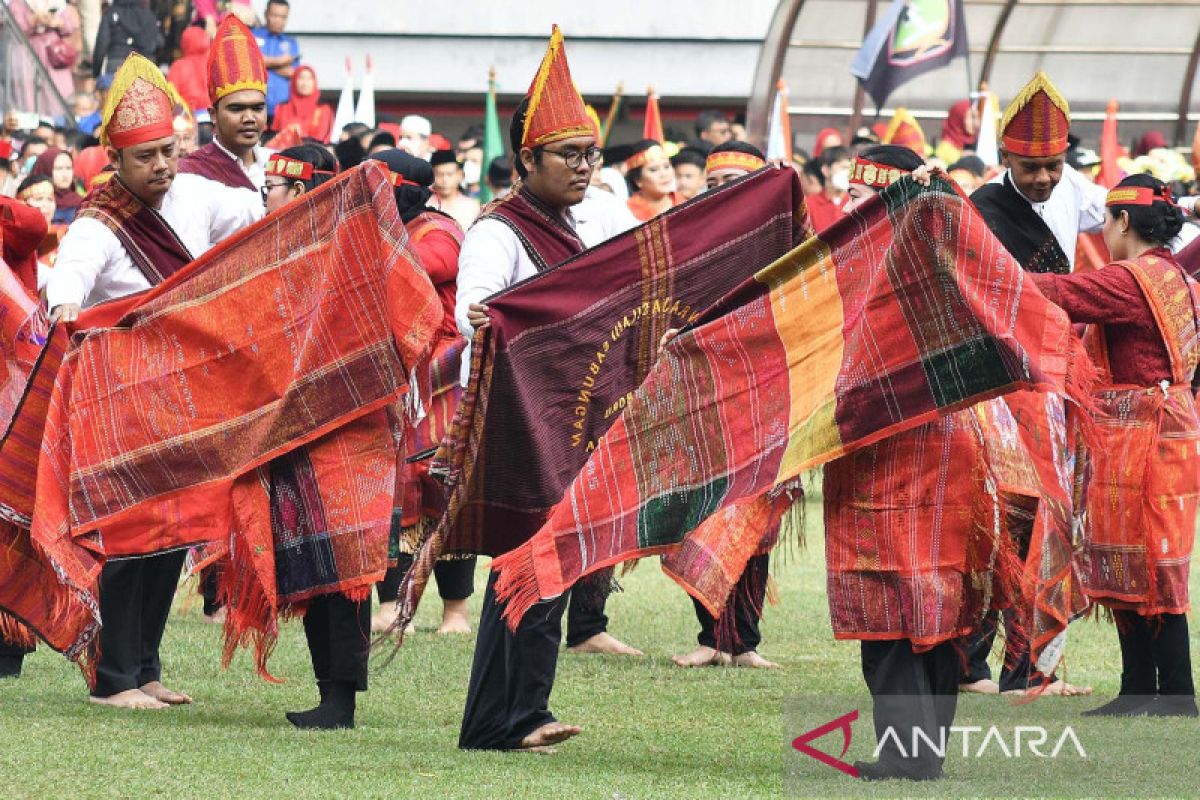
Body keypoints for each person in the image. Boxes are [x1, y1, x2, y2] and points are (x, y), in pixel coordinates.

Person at [44, 54, 262, 710]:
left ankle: (147, 668)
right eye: (147, 158)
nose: (162, 166)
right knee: (131, 540)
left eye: (169, 152)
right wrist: (64, 306)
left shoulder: (197, 192)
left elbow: (251, 218)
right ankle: (113, 680)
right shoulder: (100, 219)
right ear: (116, 159)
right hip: (129, 402)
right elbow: (71, 274)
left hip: (187, 394)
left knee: (172, 534)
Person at [455, 26, 642, 753]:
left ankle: (500, 720)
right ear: (527, 158)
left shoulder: (596, 222)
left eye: (591, 153)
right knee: (531, 570)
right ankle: (516, 716)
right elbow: (476, 309)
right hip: (515, 429)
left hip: (573, 424)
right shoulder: (497, 231)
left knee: (545, 570)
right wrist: (484, 321)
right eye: (569, 154)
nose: (584, 167)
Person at [822, 144, 974, 781]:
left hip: (894, 448)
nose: (848, 207)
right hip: (944, 446)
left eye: (859, 196)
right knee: (930, 597)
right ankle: (922, 753)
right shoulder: (948, 251)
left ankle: (905, 757)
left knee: (890, 600)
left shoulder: (880, 264)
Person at [1030, 174, 1198, 718]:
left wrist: (980, 266)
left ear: (1124, 221)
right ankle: (1141, 690)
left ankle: (1170, 694)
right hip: (1164, 436)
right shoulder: (1179, 280)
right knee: (1145, 560)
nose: (1102, 232)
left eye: (1105, 221)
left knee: (1148, 561)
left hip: (1142, 441)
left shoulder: (1131, 281)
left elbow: (1057, 294)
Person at [962, 73, 1105, 696]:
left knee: (1049, 522)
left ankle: (1031, 670)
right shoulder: (980, 210)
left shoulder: (1075, 189)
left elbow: (1137, 212)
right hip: (999, 387)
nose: (1045, 178)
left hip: (1054, 384)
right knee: (999, 523)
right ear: (1006, 160)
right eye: (1031, 167)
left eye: (1053, 165)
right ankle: (972, 667)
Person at [258, 145, 373, 729]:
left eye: (271, 189)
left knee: (343, 561)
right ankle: (331, 692)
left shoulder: (343, 250)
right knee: (311, 557)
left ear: (299, 192)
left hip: (344, 430)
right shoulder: (290, 251)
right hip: (299, 427)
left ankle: (340, 700)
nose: (266, 198)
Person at [671, 139, 779, 671]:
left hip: (766, 390)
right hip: (702, 391)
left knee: (758, 517)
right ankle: (711, 636)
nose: (717, 195)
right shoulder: (689, 241)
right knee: (703, 510)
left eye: (730, 185)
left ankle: (746, 641)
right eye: (710, 185)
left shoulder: (783, 240)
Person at [366, 148, 478, 637]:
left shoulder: (440, 232)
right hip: (395, 376)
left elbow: (414, 268)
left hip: (442, 375)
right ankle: (392, 605)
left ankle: (456, 612)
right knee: (392, 489)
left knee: (443, 485)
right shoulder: (384, 232)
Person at [177, 16, 271, 196]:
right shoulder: (190, 174)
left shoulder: (280, 166)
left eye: (257, 108)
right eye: (237, 109)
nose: (249, 118)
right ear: (213, 114)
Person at [9, 0, 80, 104]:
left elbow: (69, 27)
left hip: (54, 56)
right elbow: (14, 29)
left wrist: (58, 23)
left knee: (59, 93)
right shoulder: (17, 3)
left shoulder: (55, 2)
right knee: (32, 97)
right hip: (28, 55)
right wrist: (35, 20)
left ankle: (60, 119)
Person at [253, 0, 300, 120]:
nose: (278, 21)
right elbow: (249, 62)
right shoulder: (251, 36)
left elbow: (293, 73)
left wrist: (265, 64)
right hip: (255, 107)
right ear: (266, 14)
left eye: (283, 17)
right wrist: (280, 62)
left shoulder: (291, 43)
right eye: (274, 15)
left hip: (282, 109)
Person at [91, 0, 161, 79]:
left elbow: (101, 44)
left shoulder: (111, 14)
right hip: (144, 67)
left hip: (117, 65)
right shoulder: (149, 15)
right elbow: (158, 42)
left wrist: (96, 74)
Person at [272, 66, 333, 143]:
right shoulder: (282, 107)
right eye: (301, 78)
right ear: (294, 81)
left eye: (309, 79)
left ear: (314, 82)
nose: (305, 83)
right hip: (284, 152)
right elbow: (274, 135)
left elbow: (324, 138)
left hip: (313, 152)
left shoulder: (324, 108)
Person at [625, 140, 681, 221]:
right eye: (654, 170)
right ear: (638, 180)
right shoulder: (626, 213)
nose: (663, 174)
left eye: (666, 166)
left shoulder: (687, 203)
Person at [166, 26, 212, 117]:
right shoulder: (213, 63)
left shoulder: (178, 66)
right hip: (212, 115)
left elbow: (170, 96)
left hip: (188, 116)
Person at [28, 147, 81, 225]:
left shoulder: (81, 203)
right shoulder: (33, 202)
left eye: (68, 168)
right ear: (46, 169)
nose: (65, 174)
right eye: (58, 168)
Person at [430, 150, 480, 230]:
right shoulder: (424, 205)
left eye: (449, 174)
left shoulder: (472, 206)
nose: (444, 180)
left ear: (460, 175)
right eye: (439, 174)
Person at [805, 145, 851, 232]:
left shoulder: (856, 203)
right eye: (843, 168)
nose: (847, 173)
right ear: (825, 170)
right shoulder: (809, 205)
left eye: (850, 168)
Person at [933, 99, 979, 165]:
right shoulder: (945, 148)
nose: (976, 123)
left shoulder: (975, 143)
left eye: (977, 118)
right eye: (972, 117)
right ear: (958, 118)